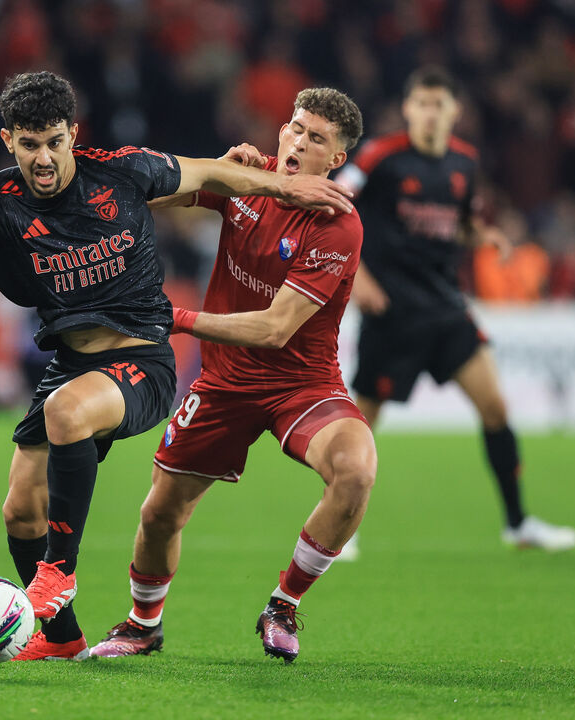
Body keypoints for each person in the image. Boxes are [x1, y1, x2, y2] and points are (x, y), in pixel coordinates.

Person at [0, 71, 354, 661]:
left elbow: (210, 173)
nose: (43, 157)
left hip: (142, 356)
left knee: (68, 413)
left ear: (73, 135)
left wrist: (283, 188)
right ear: (8, 141)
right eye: (29, 144)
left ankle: (57, 574)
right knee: (20, 507)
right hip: (70, 362)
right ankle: (62, 639)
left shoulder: (119, 168)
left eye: (54, 141)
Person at [89, 88, 371, 664]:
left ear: (335, 160)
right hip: (225, 385)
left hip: (302, 384)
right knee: (159, 512)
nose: (297, 141)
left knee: (356, 469)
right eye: (295, 127)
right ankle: (143, 624)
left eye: (317, 138)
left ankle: (284, 603)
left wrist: (177, 318)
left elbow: (273, 330)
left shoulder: (337, 226)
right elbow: (160, 199)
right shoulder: (254, 180)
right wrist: (217, 170)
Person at [334, 66, 575, 554]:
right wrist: (356, 275)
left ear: (454, 112)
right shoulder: (380, 157)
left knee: (495, 407)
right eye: (421, 104)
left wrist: (482, 236)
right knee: (362, 422)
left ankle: (518, 523)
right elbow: (334, 204)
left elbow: (461, 224)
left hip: (446, 309)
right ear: (407, 109)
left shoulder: (464, 162)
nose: (429, 113)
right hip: (392, 313)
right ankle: (340, 530)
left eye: (438, 105)